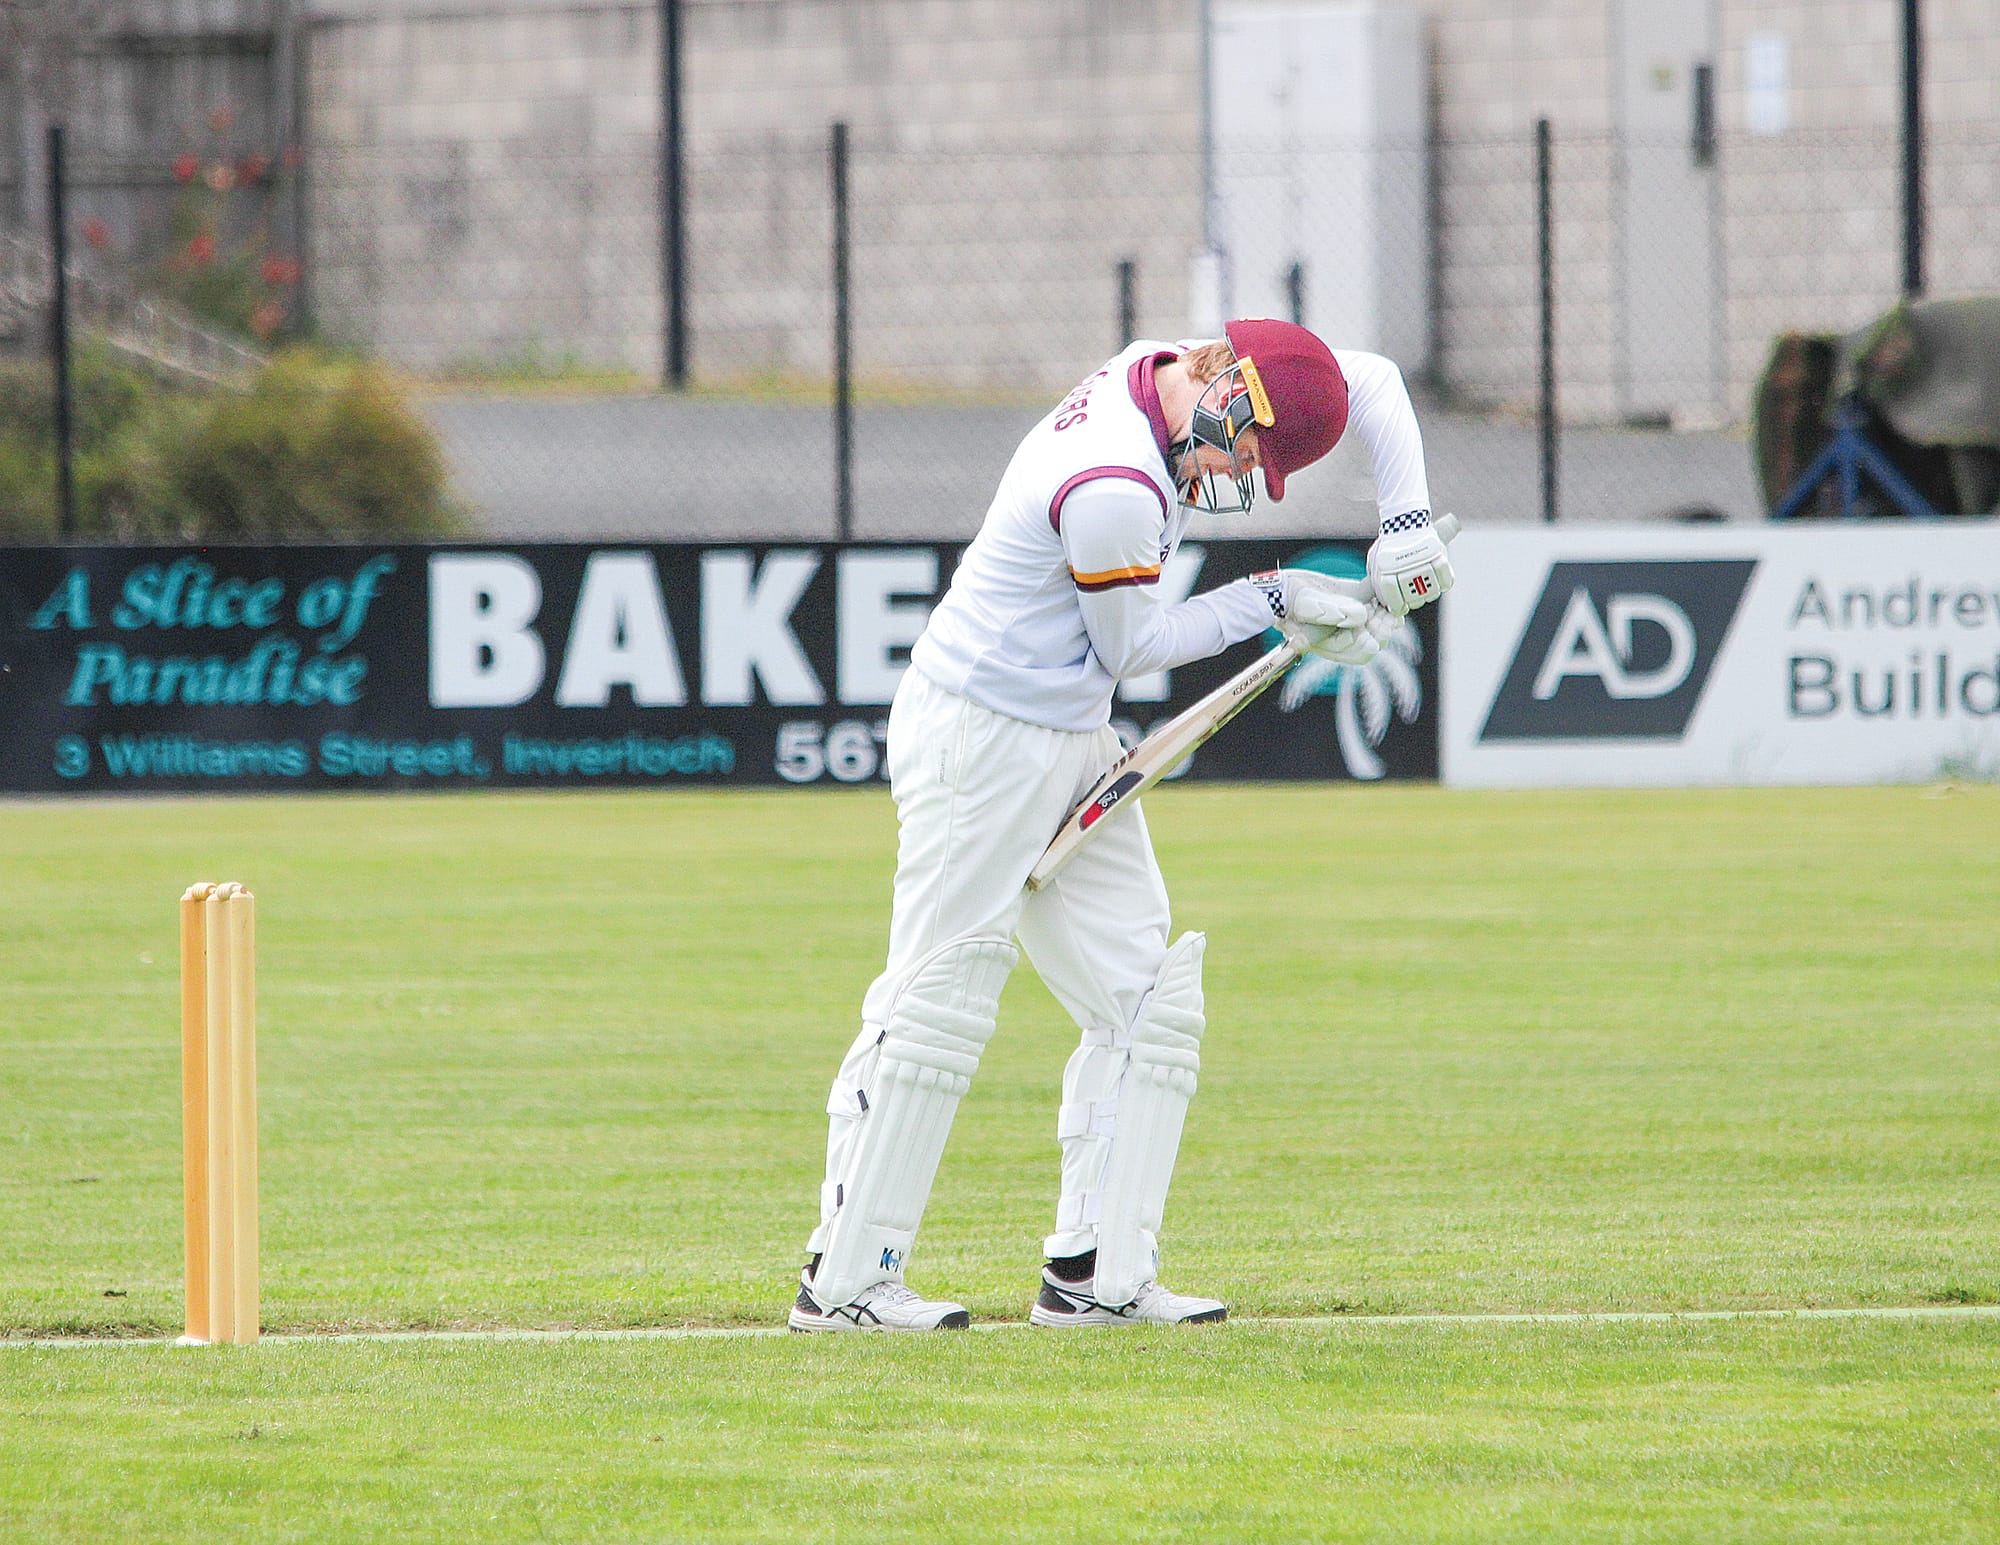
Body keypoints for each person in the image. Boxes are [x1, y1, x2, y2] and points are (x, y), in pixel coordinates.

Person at [787, 318, 1451, 1332]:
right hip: (981, 736)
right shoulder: (1111, 487)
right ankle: (842, 1285)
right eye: (1250, 449)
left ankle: (1094, 1278)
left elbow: (1366, 377)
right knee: (935, 997)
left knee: (1145, 996)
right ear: (1226, 389)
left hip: (1065, 730)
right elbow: (1136, 648)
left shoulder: (1195, 362)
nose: (1240, 473)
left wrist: (1402, 523)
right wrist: (1278, 598)